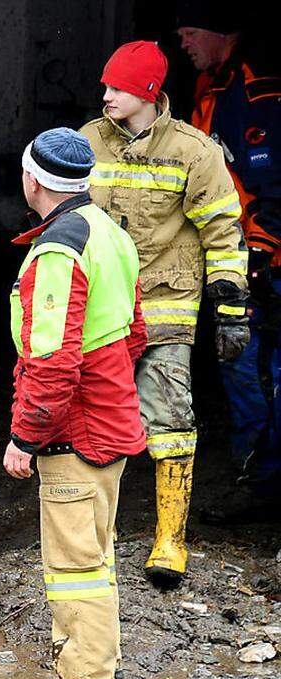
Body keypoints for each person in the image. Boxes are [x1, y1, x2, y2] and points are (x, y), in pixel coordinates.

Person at [80, 40, 250, 587]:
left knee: (170, 421)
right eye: (105, 86)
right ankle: (92, 535)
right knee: (95, 420)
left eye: (119, 88)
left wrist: (231, 308)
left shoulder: (194, 152)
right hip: (103, 310)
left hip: (164, 309)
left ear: (149, 93)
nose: (106, 96)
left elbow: (224, 232)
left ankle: (170, 539)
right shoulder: (86, 143)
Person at [5, 128, 146, 679]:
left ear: (32, 180)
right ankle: (97, 672)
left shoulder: (58, 251)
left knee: (75, 569)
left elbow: (52, 362)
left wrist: (23, 438)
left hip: (75, 435)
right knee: (96, 560)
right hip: (109, 423)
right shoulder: (109, 233)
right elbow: (135, 333)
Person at [178, 0, 281, 524]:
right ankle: (257, 480)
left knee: (260, 367)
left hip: (266, 259)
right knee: (240, 363)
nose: (184, 43)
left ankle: (265, 485)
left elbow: (273, 182)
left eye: (191, 31)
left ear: (219, 30)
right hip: (237, 254)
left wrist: (262, 251)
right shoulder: (212, 88)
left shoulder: (254, 86)